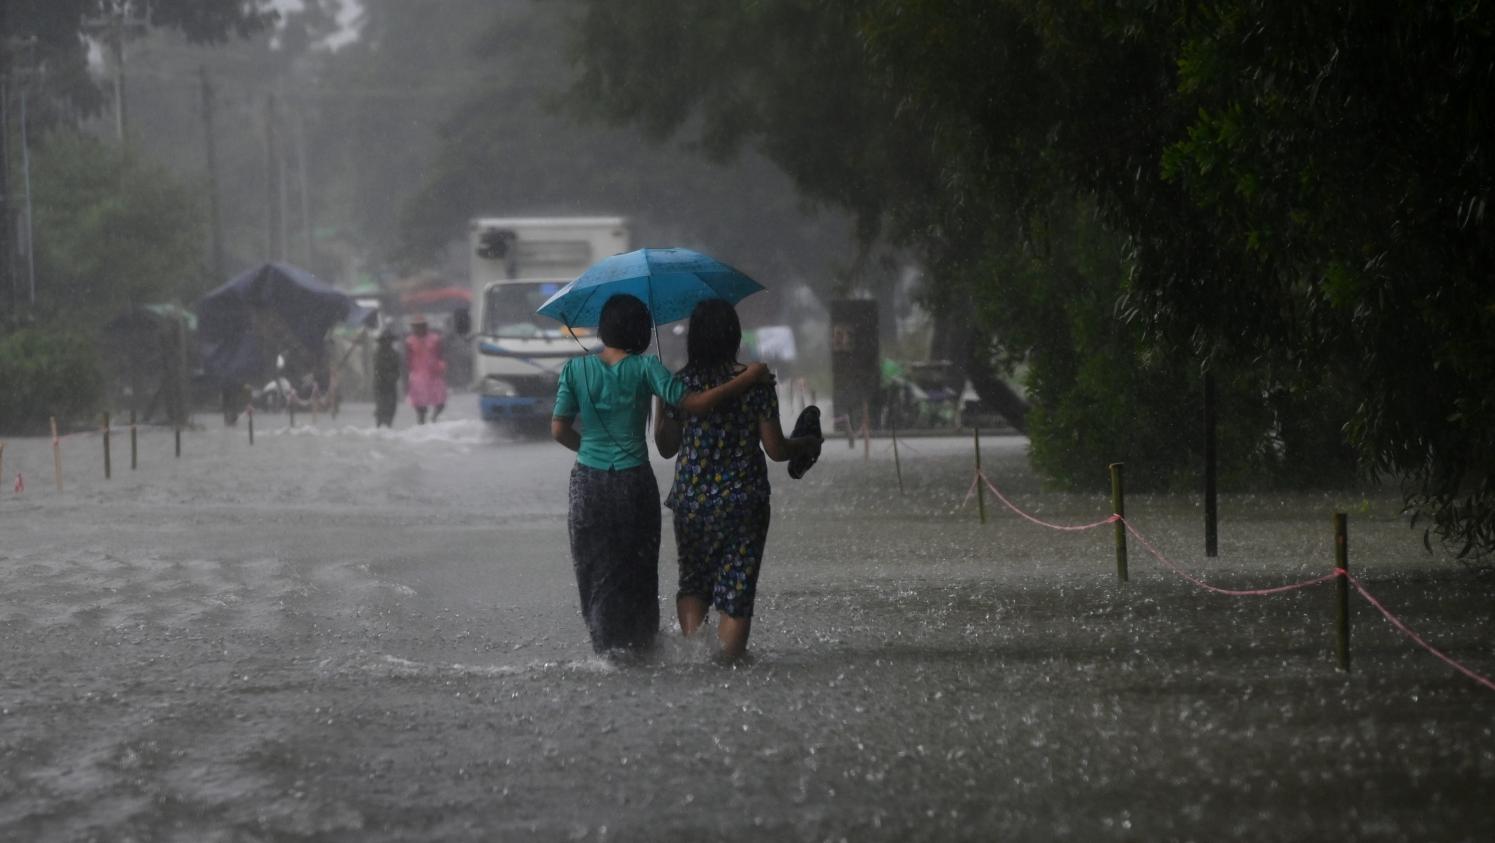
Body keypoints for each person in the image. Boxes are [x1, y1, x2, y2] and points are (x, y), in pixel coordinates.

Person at [551, 293, 772, 658]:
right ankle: (641, 648)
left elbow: (559, 429)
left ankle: (606, 651)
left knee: (594, 569)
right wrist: (748, 377)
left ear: (604, 329)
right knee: (638, 570)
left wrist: (591, 453)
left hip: (587, 485)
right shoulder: (647, 368)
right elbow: (696, 405)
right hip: (634, 482)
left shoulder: (574, 370)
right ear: (640, 331)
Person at [655, 298, 823, 662]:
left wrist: (661, 401)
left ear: (694, 340)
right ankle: (728, 667)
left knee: (694, 583)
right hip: (743, 502)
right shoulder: (756, 383)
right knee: (737, 589)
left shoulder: (680, 384)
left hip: (691, 502)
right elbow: (776, 449)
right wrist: (807, 443)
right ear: (733, 336)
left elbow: (667, 448)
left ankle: (695, 660)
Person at [404, 314, 446, 423]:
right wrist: (406, 378)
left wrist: (441, 367)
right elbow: (407, 359)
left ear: (425, 326)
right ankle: (421, 426)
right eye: (415, 326)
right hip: (418, 376)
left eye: (419, 326)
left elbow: (441, 354)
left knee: (440, 402)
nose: (417, 329)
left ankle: (434, 419)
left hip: (434, 374)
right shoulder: (409, 341)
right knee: (420, 407)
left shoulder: (435, 339)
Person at [372, 328, 401, 428]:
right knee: (381, 409)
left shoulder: (395, 354)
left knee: (391, 409)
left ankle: (388, 428)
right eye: (385, 340)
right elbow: (378, 370)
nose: (387, 342)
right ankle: (379, 428)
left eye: (389, 340)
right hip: (380, 386)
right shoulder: (377, 354)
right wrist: (386, 377)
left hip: (391, 386)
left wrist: (393, 377)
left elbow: (397, 370)